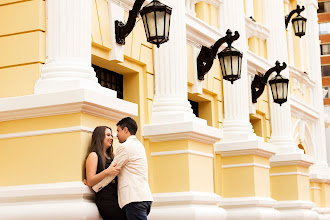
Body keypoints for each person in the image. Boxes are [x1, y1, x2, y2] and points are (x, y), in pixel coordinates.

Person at [92, 117, 153, 220]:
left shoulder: (125, 147)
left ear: (125, 130)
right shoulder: (139, 145)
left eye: (118, 131)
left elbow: (112, 171)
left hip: (134, 199)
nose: (116, 135)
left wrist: (94, 186)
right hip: (144, 197)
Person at [85, 126, 127, 220]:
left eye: (111, 135)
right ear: (100, 137)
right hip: (106, 201)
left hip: (118, 199)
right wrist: (107, 172)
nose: (111, 138)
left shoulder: (112, 157)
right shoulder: (93, 156)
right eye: (108, 135)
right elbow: (90, 181)